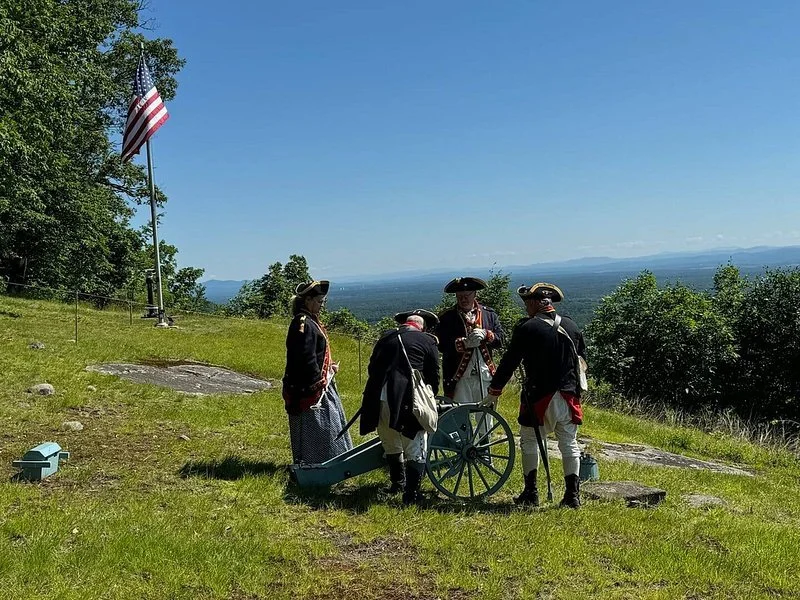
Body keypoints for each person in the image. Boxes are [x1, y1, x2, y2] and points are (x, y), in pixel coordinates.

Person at [484, 282, 587, 509]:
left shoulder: (527, 328)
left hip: (539, 396)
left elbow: (510, 362)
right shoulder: (571, 325)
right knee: (569, 444)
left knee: (530, 441)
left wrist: (495, 389)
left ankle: (531, 494)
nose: (525, 307)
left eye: (527, 303)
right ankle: (572, 496)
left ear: (534, 303)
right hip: (569, 395)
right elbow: (582, 362)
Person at [360, 309, 440, 505]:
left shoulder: (386, 337)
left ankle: (398, 483)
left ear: (405, 324)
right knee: (416, 445)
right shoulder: (427, 341)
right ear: (423, 327)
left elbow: (372, 368)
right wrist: (431, 395)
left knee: (390, 441)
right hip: (407, 398)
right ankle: (411, 494)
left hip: (378, 399)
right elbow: (433, 374)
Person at [282, 280, 353, 464]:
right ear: (308, 300)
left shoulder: (311, 321)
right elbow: (305, 357)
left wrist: (329, 369)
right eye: (320, 302)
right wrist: (317, 384)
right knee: (318, 427)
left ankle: (331, 461)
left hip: (320, 381)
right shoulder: (302, 323)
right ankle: (315, 464)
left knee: (329, 424)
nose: (322, 306)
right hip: (308, 386)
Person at [434, 277, 504, 403]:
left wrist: (487, 334)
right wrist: (463, 343)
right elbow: (441, 344)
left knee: (485, 416)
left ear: (475, 294)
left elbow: (501, 340)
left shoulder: (489, 314)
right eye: (459, 296)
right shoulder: (447, 317)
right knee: (460, 415)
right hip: (459, 377)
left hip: (484, 374)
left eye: (466, 295)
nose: (463, 299)